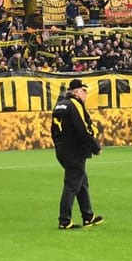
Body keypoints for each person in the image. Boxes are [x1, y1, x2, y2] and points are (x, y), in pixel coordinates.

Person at [51, 78, 103, 230]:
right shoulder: (75, 104)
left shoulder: (59, 105)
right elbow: (82, 129)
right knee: (72, 184)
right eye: (83, 90)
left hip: (62, 148)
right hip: (74, 150)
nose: (85, 94)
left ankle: (88, 216)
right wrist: (95, 147)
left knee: (81, 182)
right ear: (75, 91)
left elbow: (53, 130)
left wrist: (58, 146)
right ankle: (64, 220)